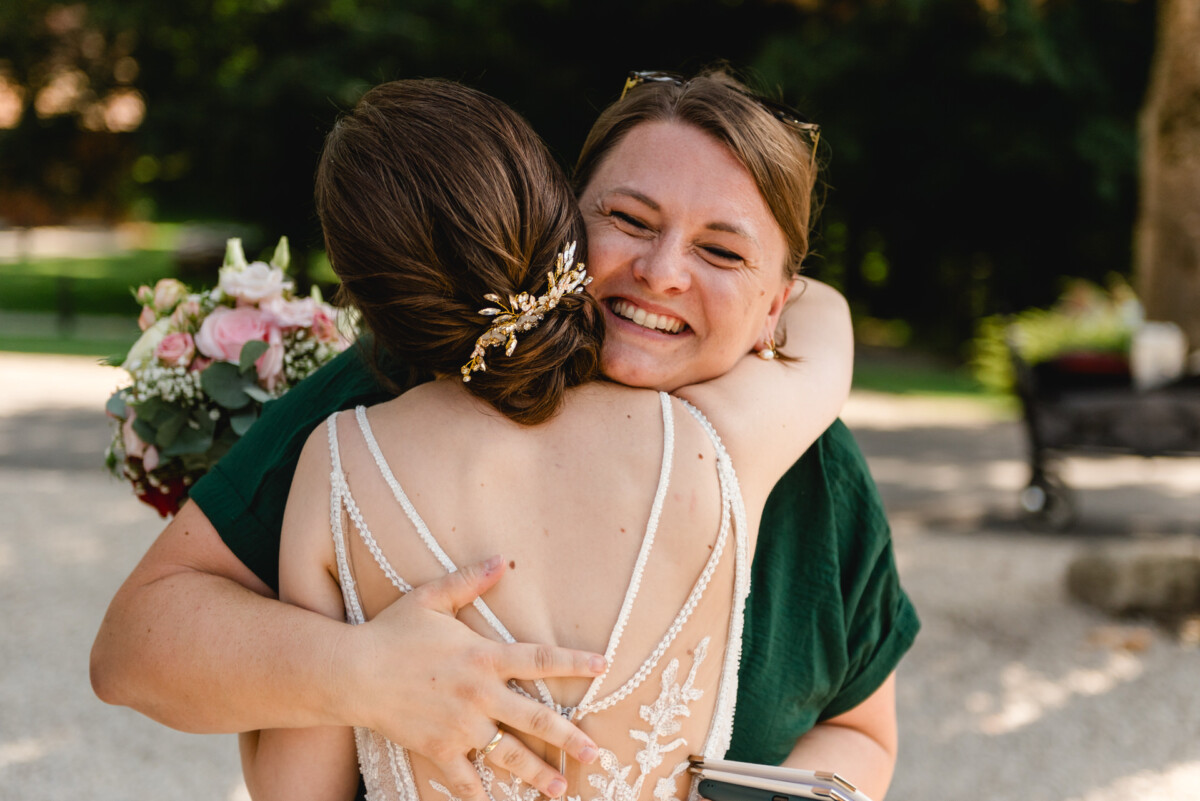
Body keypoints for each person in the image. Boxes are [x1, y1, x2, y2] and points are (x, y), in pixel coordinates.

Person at [91, 68, 918, 800]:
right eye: (629, 218)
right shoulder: (733, 440)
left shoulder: (346, 460)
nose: (664, 272)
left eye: (723, 251)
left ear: (780, 300)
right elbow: (133, 649)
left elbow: (864, 734)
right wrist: (357, 673)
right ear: (563, 216)